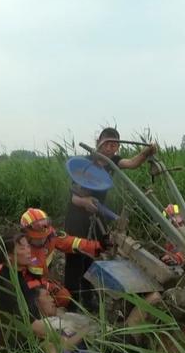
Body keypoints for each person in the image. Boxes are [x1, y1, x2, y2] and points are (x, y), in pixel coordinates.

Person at [64, 127, 158, 309]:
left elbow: (131, 163)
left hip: (97, 217)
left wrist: (146, 152)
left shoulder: (112, 162)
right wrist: (84, 202)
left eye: (115, 145)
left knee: (91, 258)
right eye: (107, 144)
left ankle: (89, 299)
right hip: (77, 217)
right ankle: (71, 303)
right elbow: (73, 197)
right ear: (98, 143)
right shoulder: (84, 163)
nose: (111, 148)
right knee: (74, 259)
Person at [20, 208, 102, 308]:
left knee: (65, 297)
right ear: (26, 235)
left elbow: (72, 242)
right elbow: (21, 281)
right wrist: (42, 290)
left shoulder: (51, 236)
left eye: (44, 236)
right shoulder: (20, 251)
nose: (42, 240)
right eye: (38, 238)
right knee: (35, 305)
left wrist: (98, 246)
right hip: (28, 288)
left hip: (44, 282)